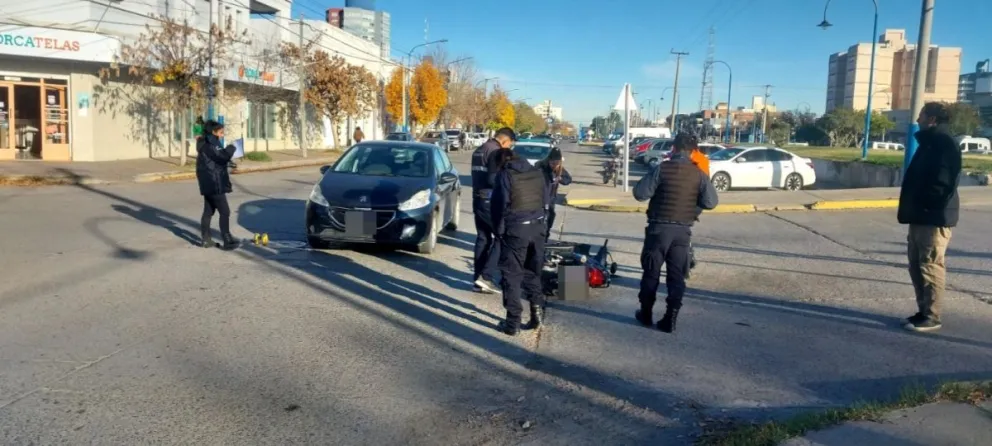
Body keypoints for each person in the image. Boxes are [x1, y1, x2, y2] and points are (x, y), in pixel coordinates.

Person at [632, 132, 718, 333]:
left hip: (658, 229)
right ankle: (670, 318)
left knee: (651, 272)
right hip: (682, 232)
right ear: (693, 150)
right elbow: (711, 202)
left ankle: (646, 313)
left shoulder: (663, 168)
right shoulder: (699, 174)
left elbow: (640, 194)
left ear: (674, 148)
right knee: (676, 276)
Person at [898, 102, 961, 333]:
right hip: (920, 214)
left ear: (932, 119)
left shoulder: (943, 143)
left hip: (933, 216)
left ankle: (932, 316)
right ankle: (923, 311)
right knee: (916, 265)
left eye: (922, 115)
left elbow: (944, 181)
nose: (918, 118)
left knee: (930, 265)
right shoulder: (930, 142)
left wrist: (927, 205)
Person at [490, 149, 550, 336]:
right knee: (533, 273)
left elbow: (499, 205)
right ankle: (536, 314)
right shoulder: (537, 172)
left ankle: (512, 322)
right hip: (538, 228)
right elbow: (546, 200)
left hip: (516, 230)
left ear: (501, 162)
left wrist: (498, 231)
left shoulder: (505, 175)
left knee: (512, 275)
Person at [470, 127, 517, 294]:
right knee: (501, 236)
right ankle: (486, 277)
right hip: (491, 200)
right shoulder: (496, 151)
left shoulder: (479, 149)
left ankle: (477, 280)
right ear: (505, 141)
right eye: (510, 145)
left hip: (478, 198)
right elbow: (495, 179)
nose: (509, 149)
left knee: (483, 238)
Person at [196, 120, 240, 250]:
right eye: (220, 132)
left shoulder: (204, 143)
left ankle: (206, 239)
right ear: (213, 132)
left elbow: (214, 161)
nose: (222, 135)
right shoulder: (212, 143)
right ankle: (227, 239)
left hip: (207, 182)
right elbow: (222, 156)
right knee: (225, 211)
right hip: (214, 182)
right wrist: (232, 147)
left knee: (208, 211)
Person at [534, 147, 572, 242]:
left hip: (551, 199)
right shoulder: (540, 167)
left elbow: (568, 179)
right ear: (548, 160)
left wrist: (560, 179)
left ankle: (545, 237)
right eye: (553, 163)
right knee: (540, 221)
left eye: (557, 163)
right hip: (539, 199)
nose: (554, 165)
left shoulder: (559, 169)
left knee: (550, 218)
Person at [686, 141, 711, 279]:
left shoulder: (675, 158)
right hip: (697, 203)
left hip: (678, 203)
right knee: (687, 228)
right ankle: (689, 256)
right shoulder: (703, 160)